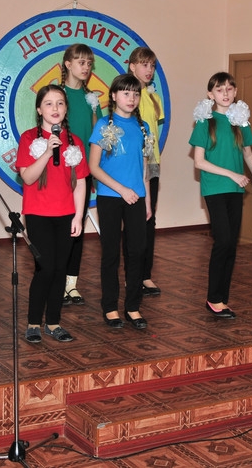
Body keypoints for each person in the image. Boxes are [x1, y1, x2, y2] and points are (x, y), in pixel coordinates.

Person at [16, 84, 89, 343]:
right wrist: (48, 152)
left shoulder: (75, 141)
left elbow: (81, 182)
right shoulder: (28, 139)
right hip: (38, 213)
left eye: (60, 103)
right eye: (48, 103)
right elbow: (27, 177)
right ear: (39, 109)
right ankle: (34, 322)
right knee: (45, 269)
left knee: (60, 270)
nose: (55, 108)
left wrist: (78, 216)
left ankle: (54, 323)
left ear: (66, 108)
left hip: (66, 214)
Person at [189, 72, 252, 319]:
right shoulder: (205, 121)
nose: (225, 93)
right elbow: (199, 162)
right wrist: (231, 174)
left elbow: (248, 155)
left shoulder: (241, 120)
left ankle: (221, 299)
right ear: (211, 94)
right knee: (223, 240)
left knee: (231, 244)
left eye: (229, 89)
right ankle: (214, 298)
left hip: (236, 189)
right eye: (219, 89)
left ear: (235, 91)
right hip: (215, 188)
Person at [88, 74, 153, 329]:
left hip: (137, 198)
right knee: (111, 253)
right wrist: (122, 189)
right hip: (110, 197)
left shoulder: (143, 127)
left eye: (135, 94)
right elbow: (94, 167)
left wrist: (147, 202)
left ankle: (133, 306)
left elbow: (145, 169)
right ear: (114, 96)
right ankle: (110, 306)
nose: (131, 98)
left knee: (137, 252)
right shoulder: (103, 126)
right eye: (126, 93)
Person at [60, 43, 102, 306]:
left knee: (77, 227)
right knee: (59, 228)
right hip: (60, 171)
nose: (86, 67)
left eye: (89, 63)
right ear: (68, 64)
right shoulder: (57, 94)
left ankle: (71, 284)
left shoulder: (91, 99)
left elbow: (98, 136)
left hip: (83, 173)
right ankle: (55, 281)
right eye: (81, 62)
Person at [128, 47, 165, 296]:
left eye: (152, 65)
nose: (148, 70)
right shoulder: (127, 95)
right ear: (132, 67)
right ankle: (131, 274)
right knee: (133, 221)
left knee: (149, 218)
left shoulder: (154, 98)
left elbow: (154, 132)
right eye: (144, 64)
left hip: (151, 163)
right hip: (130, 164)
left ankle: (145, 275)